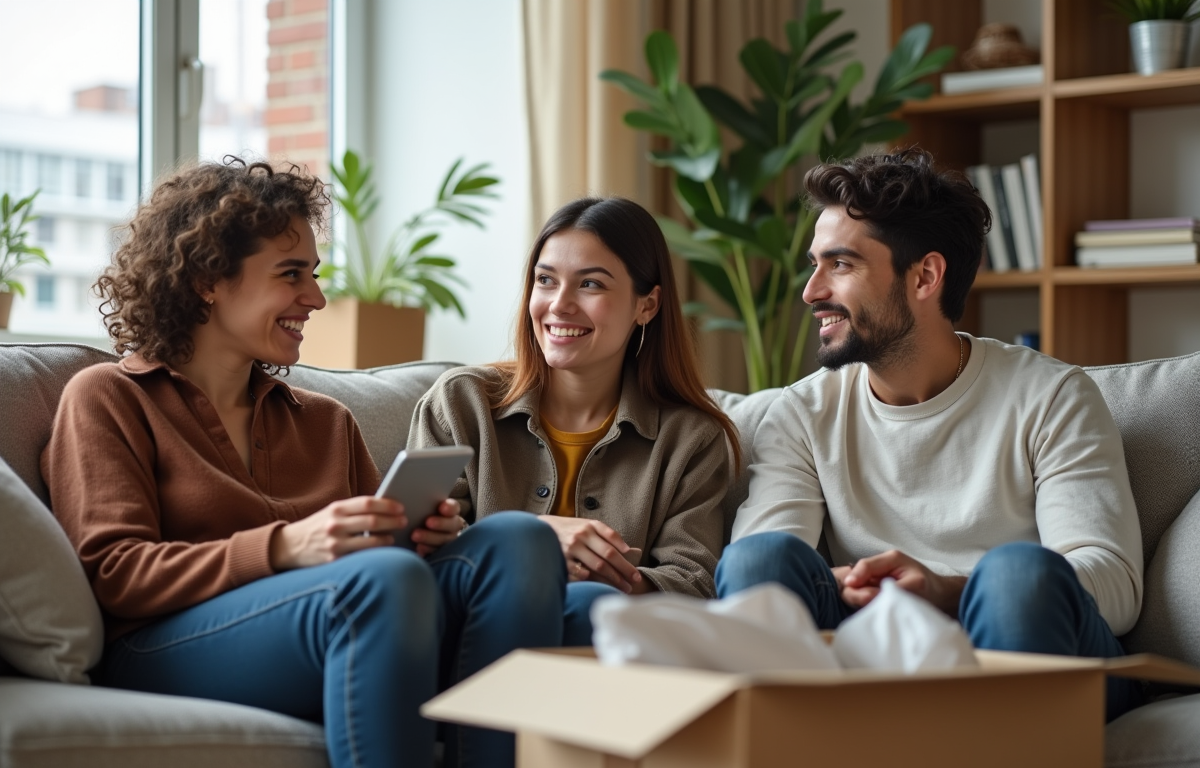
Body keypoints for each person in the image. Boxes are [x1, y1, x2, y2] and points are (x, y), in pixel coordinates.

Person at [40, 158, 565, 768]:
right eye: (291, 276)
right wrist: (288, 547)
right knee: (381, 580)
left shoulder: (325, 421)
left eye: (313, 276)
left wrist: (418, 537)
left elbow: (382, 567)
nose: (315, 299)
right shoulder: (109, 398)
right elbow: (115, 572)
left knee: (516, 541)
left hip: (341, 621)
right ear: (208, 279)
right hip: (162, 645)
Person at [717, 148, 1144, 721]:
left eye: (840, 265)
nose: (811, 291)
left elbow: (1114, 586)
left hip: (1028, 649)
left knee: (1018, 573)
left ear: (924, 276)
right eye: (814, 265)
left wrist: (950, 590)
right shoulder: (802, 412)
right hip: (877, 649)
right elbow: (755, 583)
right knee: (758, 561)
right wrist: (866, 588)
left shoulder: (1051, 397)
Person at [408, 196, 737, 645]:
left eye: (591, 285)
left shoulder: (691, 439)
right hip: (460, 632)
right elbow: (414, 549)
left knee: (590, 606)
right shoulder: (461, 402)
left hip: (603, 649)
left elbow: (695, 582)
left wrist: (610, 576)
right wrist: (533, 542)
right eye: (545, 281)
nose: (559, 305)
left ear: (648, 305)